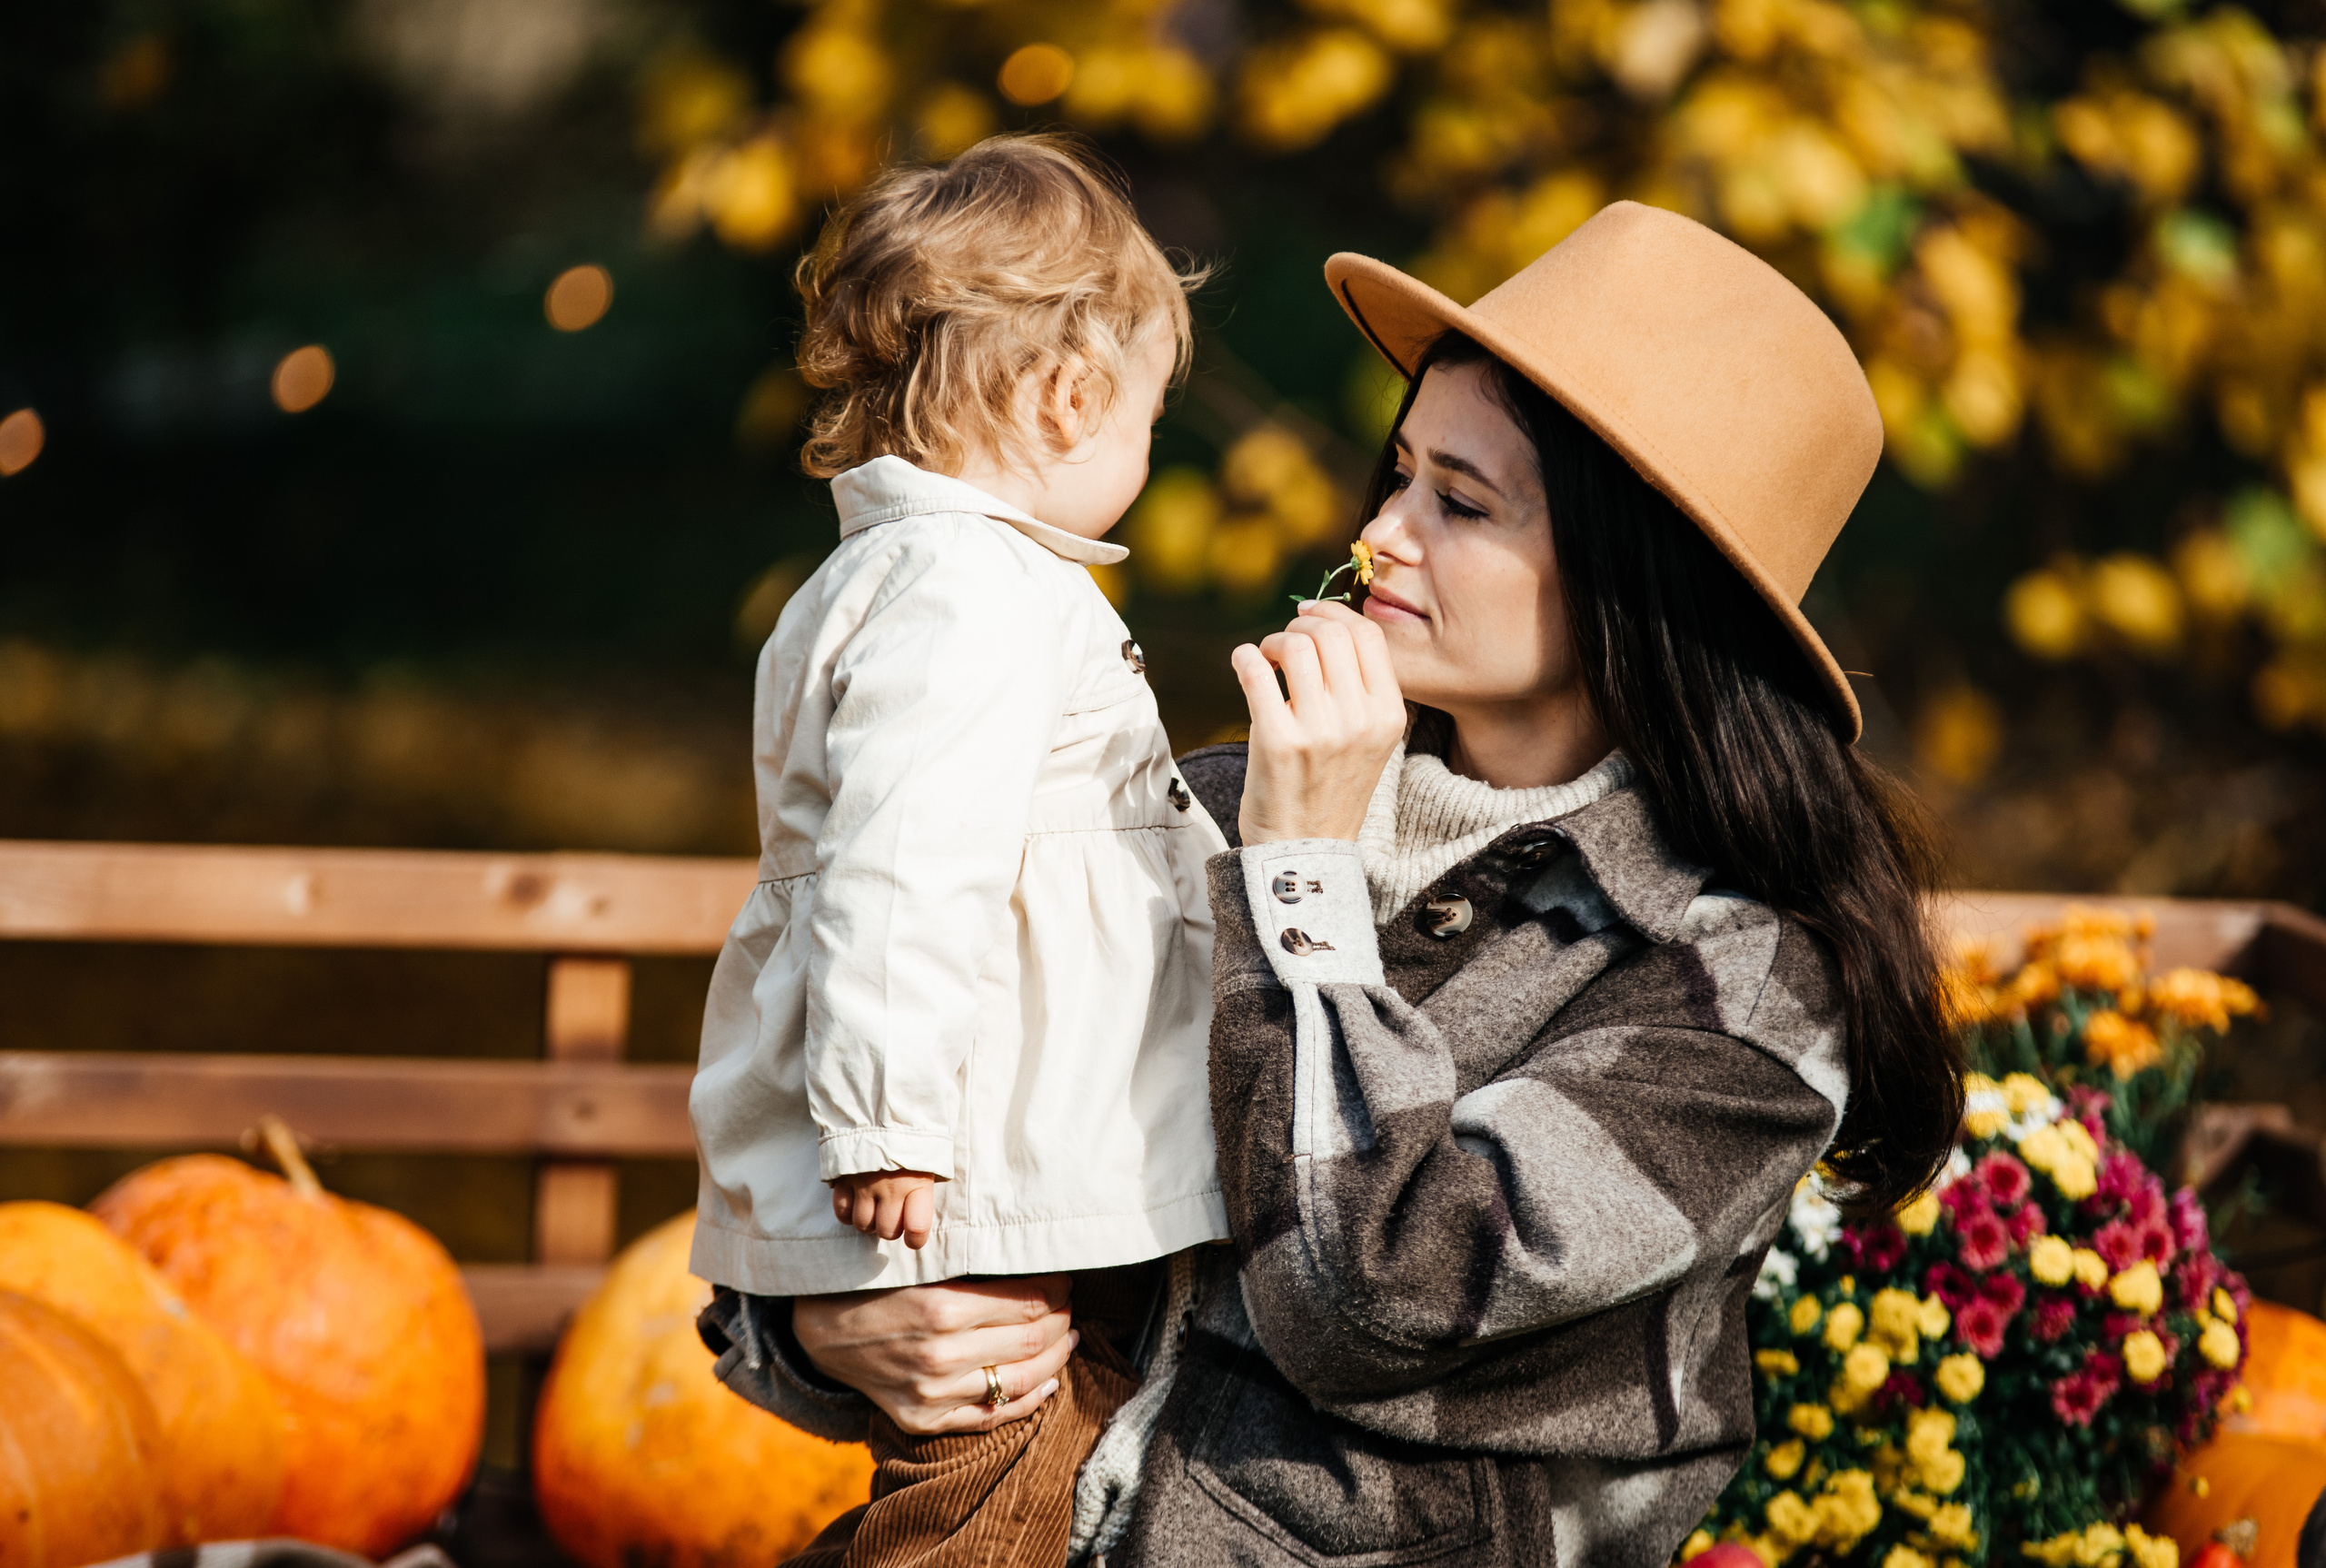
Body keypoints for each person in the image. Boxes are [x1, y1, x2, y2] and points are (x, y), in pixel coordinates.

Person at [720, 202, 1966, 1566]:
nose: (1381, 532)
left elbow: (1373, 1298)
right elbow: (921, 1075)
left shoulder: (1734, 984)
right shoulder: (1208, 805)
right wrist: (828, 1329)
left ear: (1635, 583)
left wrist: (1301, 884)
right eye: (1401, 474)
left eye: (1461, 502)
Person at [686, 133, 1230, 1566]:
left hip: (972, 1157)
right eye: (1147, 418)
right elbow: (903, 865)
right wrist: (889, 1120)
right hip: (966, 1165)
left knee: (1021, 1471)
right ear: (1069, 397)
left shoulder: (887, 576)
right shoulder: (977, 593)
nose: (1145, 452)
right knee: (982, 1502)